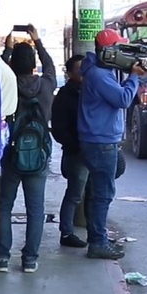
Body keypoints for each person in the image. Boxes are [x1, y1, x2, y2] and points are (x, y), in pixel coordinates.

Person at [0, 26, 56, 273]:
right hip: (39, 155)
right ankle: (30, 260)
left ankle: (2, 258)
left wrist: (7, 49)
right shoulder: (47, 85)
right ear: (34, 65)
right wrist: (37, 41)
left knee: (4, 206)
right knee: (36, 210)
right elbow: (50, 66)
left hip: (10, 153)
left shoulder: (7, 83)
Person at [77, 29, 143, 261]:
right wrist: (134, 76)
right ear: (108, 52)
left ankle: (98, 234)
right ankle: (98, 242)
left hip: (100, 139)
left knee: (101, 188)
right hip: (100, 140)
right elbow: (123, 99)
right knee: (102, 194)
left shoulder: (102, 71)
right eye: (119, 48)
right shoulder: (99, 75)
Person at [52, 55, 89, 248]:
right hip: (76, 153)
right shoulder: (65, 96)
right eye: (79, 69)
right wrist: (75, 145)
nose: (83, 72)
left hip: (92, 150)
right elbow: (59, 129)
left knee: (93, 193)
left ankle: (95, 232)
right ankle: (66, 232)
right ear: (69, 73)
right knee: (74, 194)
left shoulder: (91, 90)